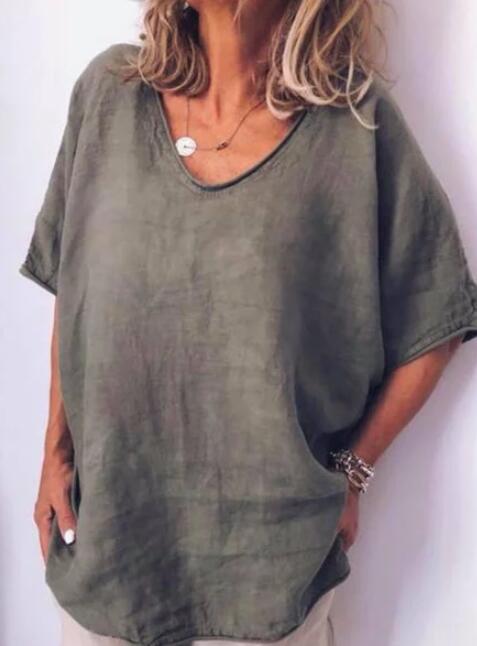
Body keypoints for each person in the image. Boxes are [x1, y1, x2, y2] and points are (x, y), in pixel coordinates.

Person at [19, 1, 477, 645]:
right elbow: (75, 285)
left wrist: (355, 470)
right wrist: (54, 451)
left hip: (270, 577)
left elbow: (439, 316)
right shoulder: (109, 96)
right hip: (108, 556)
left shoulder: (354, 125)